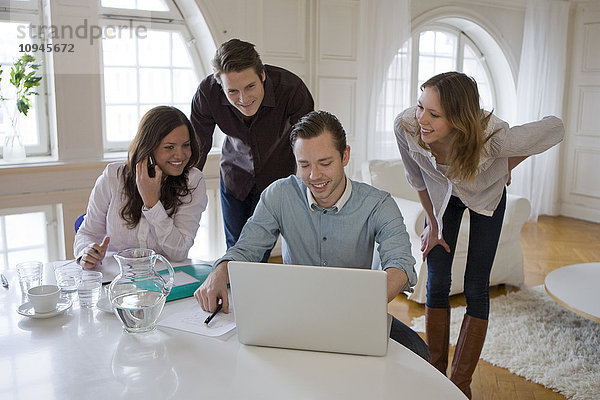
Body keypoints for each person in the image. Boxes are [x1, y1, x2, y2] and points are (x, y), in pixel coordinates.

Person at [195, 110, 429, 360]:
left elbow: (401, 265)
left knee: (419, 351)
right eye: (304, 165)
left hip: (354, 315)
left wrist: (360, 304)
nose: (314, 176)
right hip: (293, 314)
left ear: (345, 155)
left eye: (325, 163)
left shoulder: (378, 204)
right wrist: (219, 271)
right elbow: (246, 249)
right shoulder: (279, 195)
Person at [394, 71, 564, 398]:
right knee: (437, 281)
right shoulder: (407, 127)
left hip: (486, 198)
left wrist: (507, 165)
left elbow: (553, 129)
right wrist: (432, 223)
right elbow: (416, 177)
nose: (422, 119)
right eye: (420, 107)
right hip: (444, 200)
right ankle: (436, 375)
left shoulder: (493, 137)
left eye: (434, 114)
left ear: (458, 118)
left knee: (475, 285)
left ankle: (460, 385)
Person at [191, 38, 314, 257]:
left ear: (262, 75)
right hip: (234, 177)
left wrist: (310, 191)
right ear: (220, 85)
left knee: (259, 252)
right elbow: (197, 148)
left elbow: (308, 144)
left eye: (250, 86)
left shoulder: (291, 89)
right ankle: (235, 292)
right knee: (235, 251)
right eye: (233, 92)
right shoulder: (207, 94)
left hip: (275, 180)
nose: (244, 99)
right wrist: (181, 193)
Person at [74, 106, 208, 268]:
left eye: (186, 145)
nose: (180, 155)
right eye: (169, 147)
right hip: (117, 276)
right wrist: (87, 253)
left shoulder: (193, 181)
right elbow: (88, 233)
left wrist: (152, 203)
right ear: (148, 147)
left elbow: (178, 252)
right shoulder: (113, 176)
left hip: (166, 278)